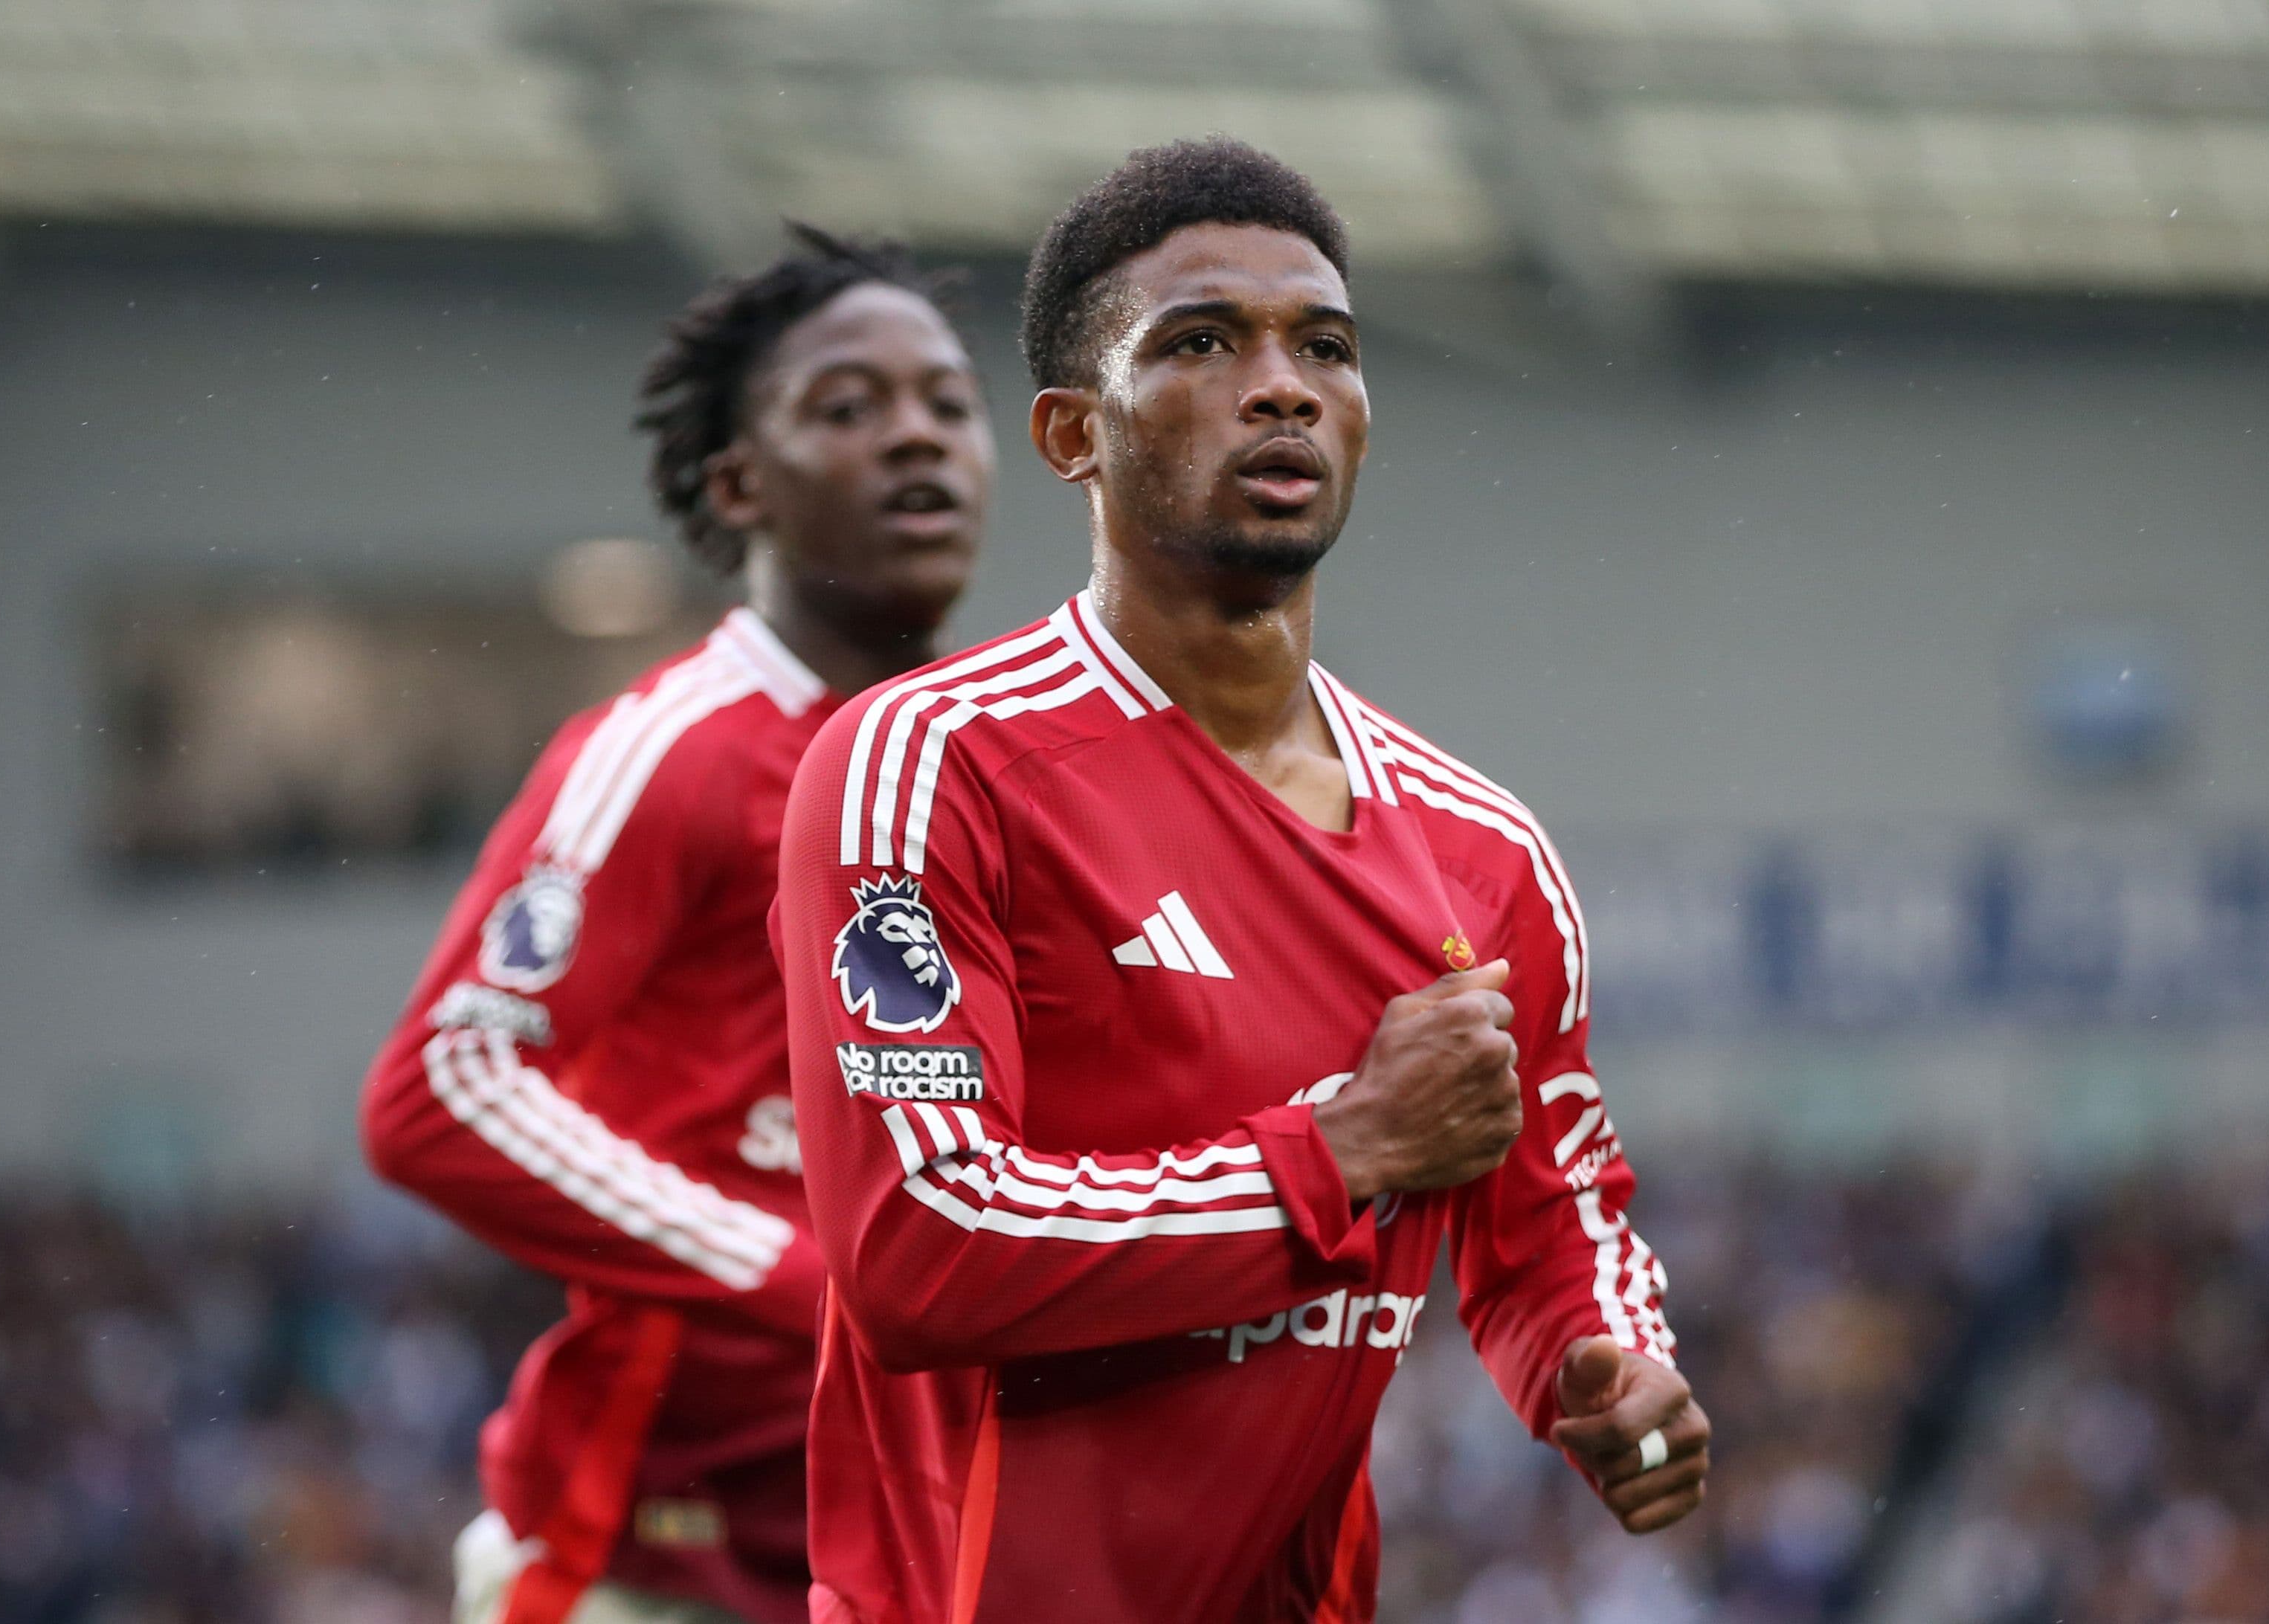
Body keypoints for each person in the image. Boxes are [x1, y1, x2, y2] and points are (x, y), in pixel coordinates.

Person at [776, 139, 1709, 1623]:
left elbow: (1552, 1223)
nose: (1282, 385)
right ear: (1073, 434)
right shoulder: (931, 767)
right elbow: (918, 1245)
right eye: (1204, 344)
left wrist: (1605, 1354)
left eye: (1323, 349)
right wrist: (1339, 1149)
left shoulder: (1485, 853)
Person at [361, 224, 996, 1624]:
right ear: (739, 483)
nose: (917, 440)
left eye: (947, 404)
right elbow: (441, 1089)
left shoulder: (983, 771)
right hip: (655, 1558)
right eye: (850, 406)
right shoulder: (678, 750)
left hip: (918, 1558)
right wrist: (806, 1273)